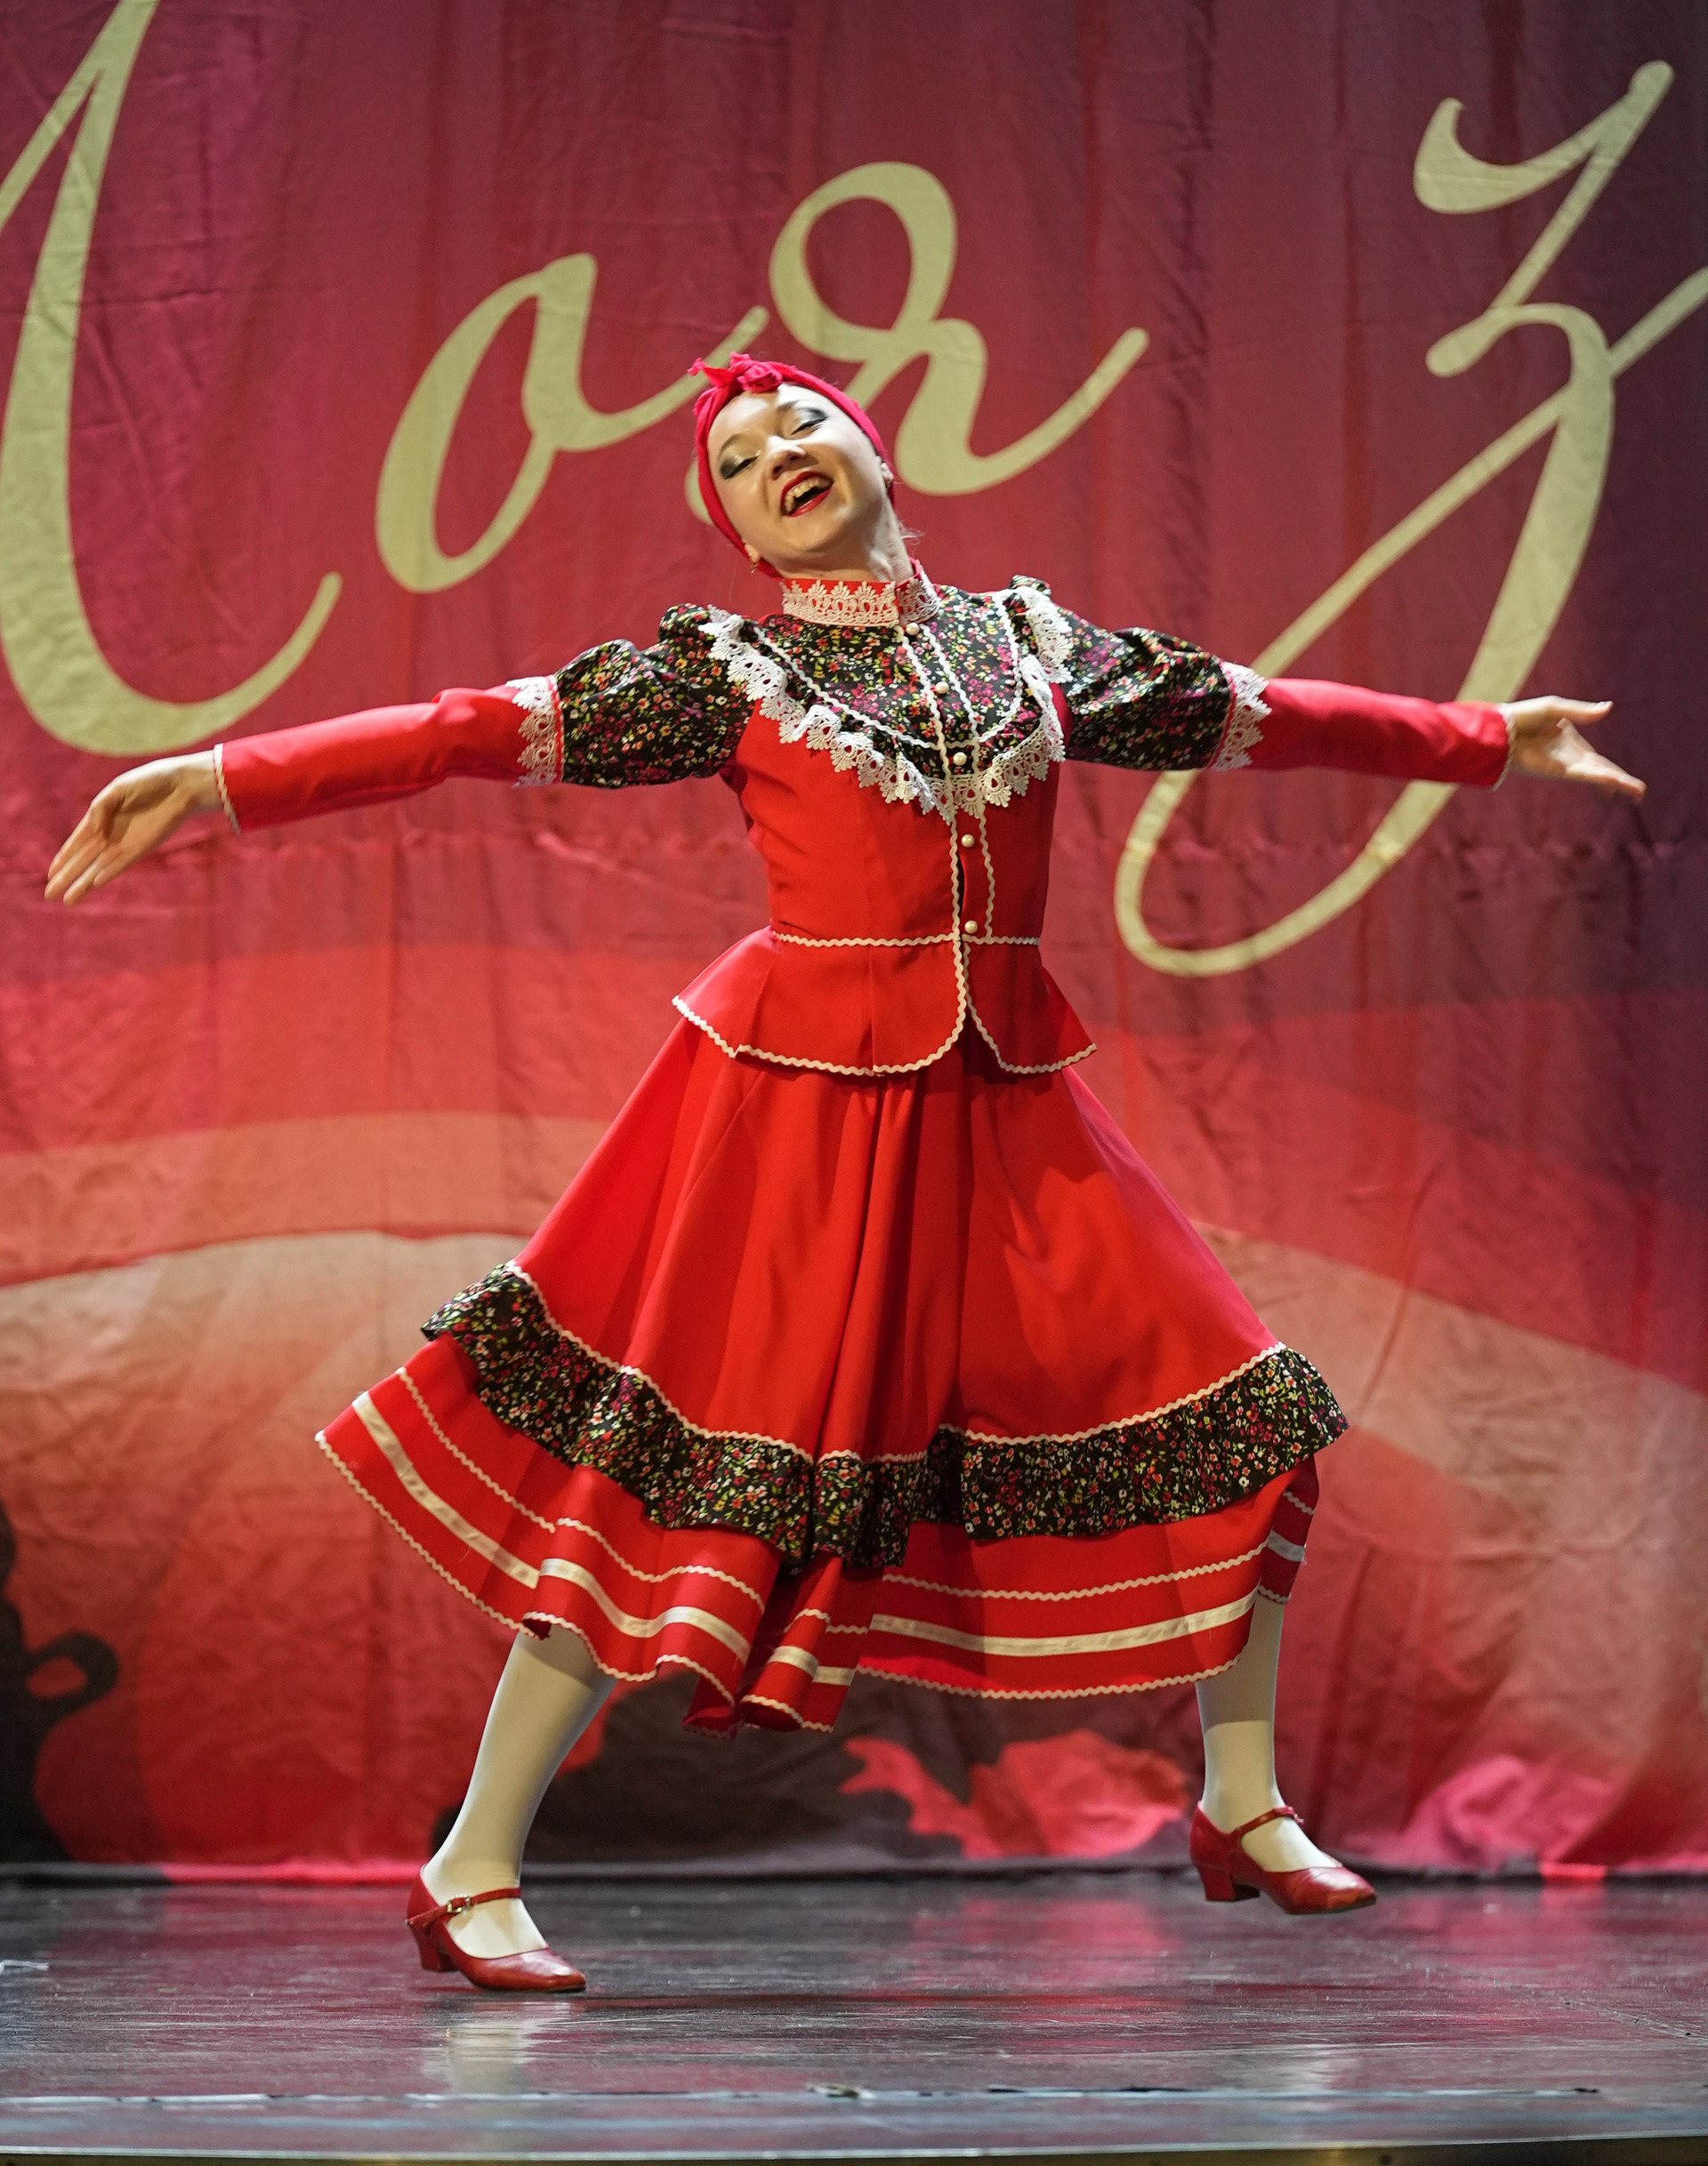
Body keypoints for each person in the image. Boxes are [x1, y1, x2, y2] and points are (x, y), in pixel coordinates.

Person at [47, 353, 1642, 1989]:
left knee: (1243, 1415)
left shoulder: (1031, 647)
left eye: (801, 423)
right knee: (676, 1479)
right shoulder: (730, 671)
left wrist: (1488, 740)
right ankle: (470, 1864)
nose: (778, 455)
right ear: (741, 533)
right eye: (740, 462)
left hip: (1003, 1107)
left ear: (876, 449)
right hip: (799, 1124)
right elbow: (475, 731)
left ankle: (1241, 1800)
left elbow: (1257, 714)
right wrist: (226, 779)